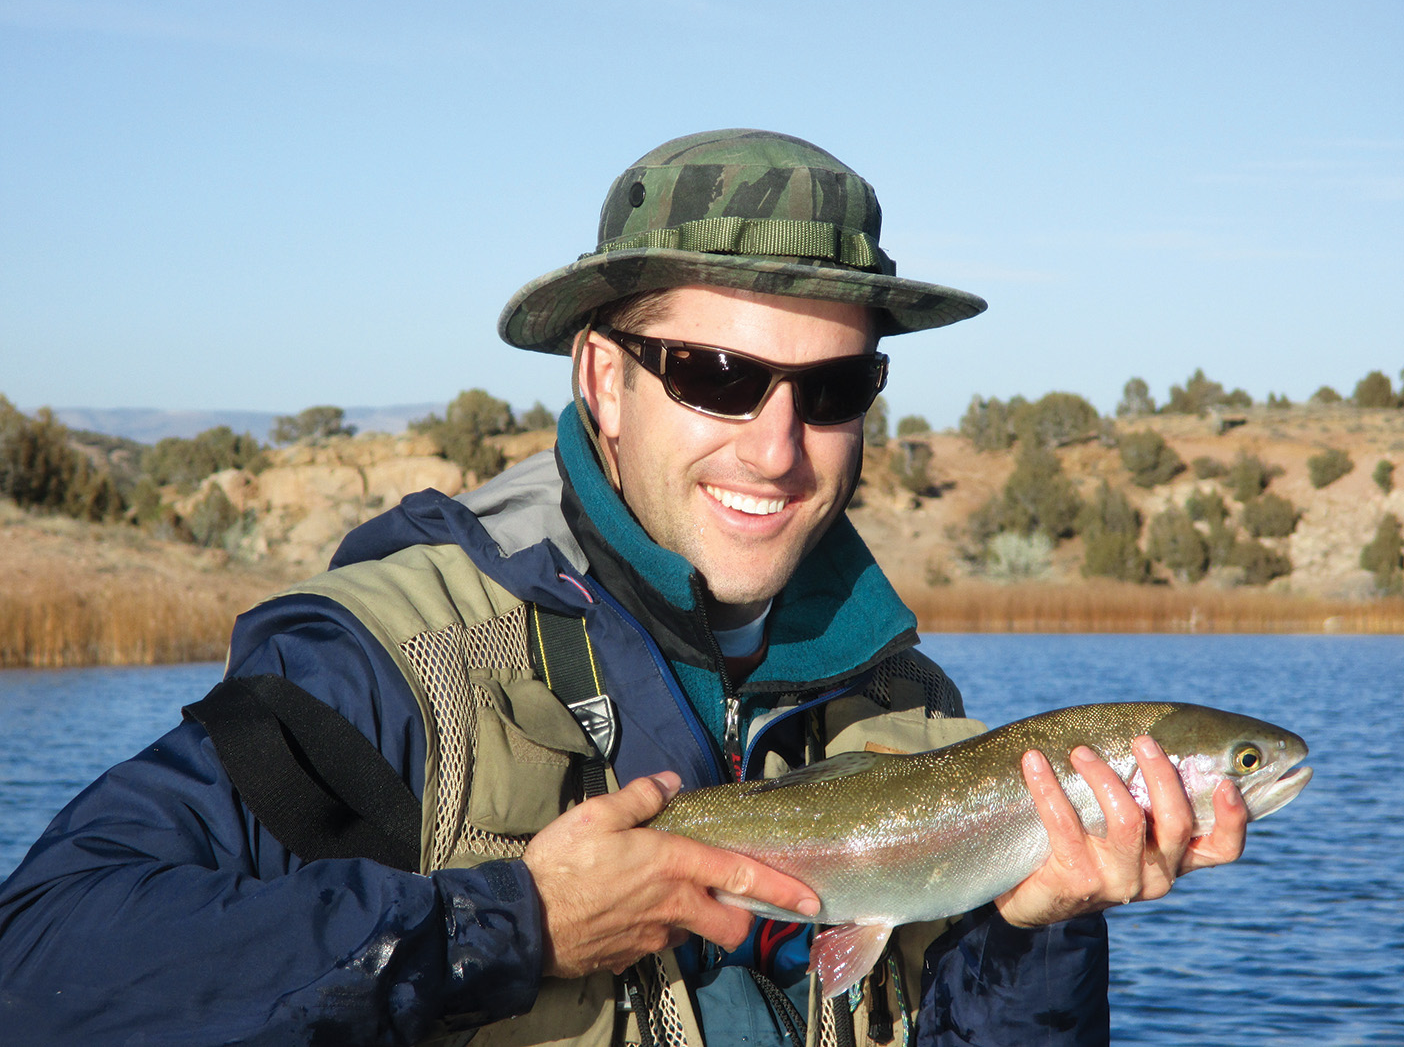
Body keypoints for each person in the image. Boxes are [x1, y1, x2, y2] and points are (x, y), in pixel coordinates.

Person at [0, 129, 1248, 1046]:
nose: (776, 446)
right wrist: (515, 923)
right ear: (601, 380)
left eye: (831, 390)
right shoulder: (384, 665)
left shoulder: (904, 707)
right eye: (714, 373)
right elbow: (42, 964)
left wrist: (1033, 925)